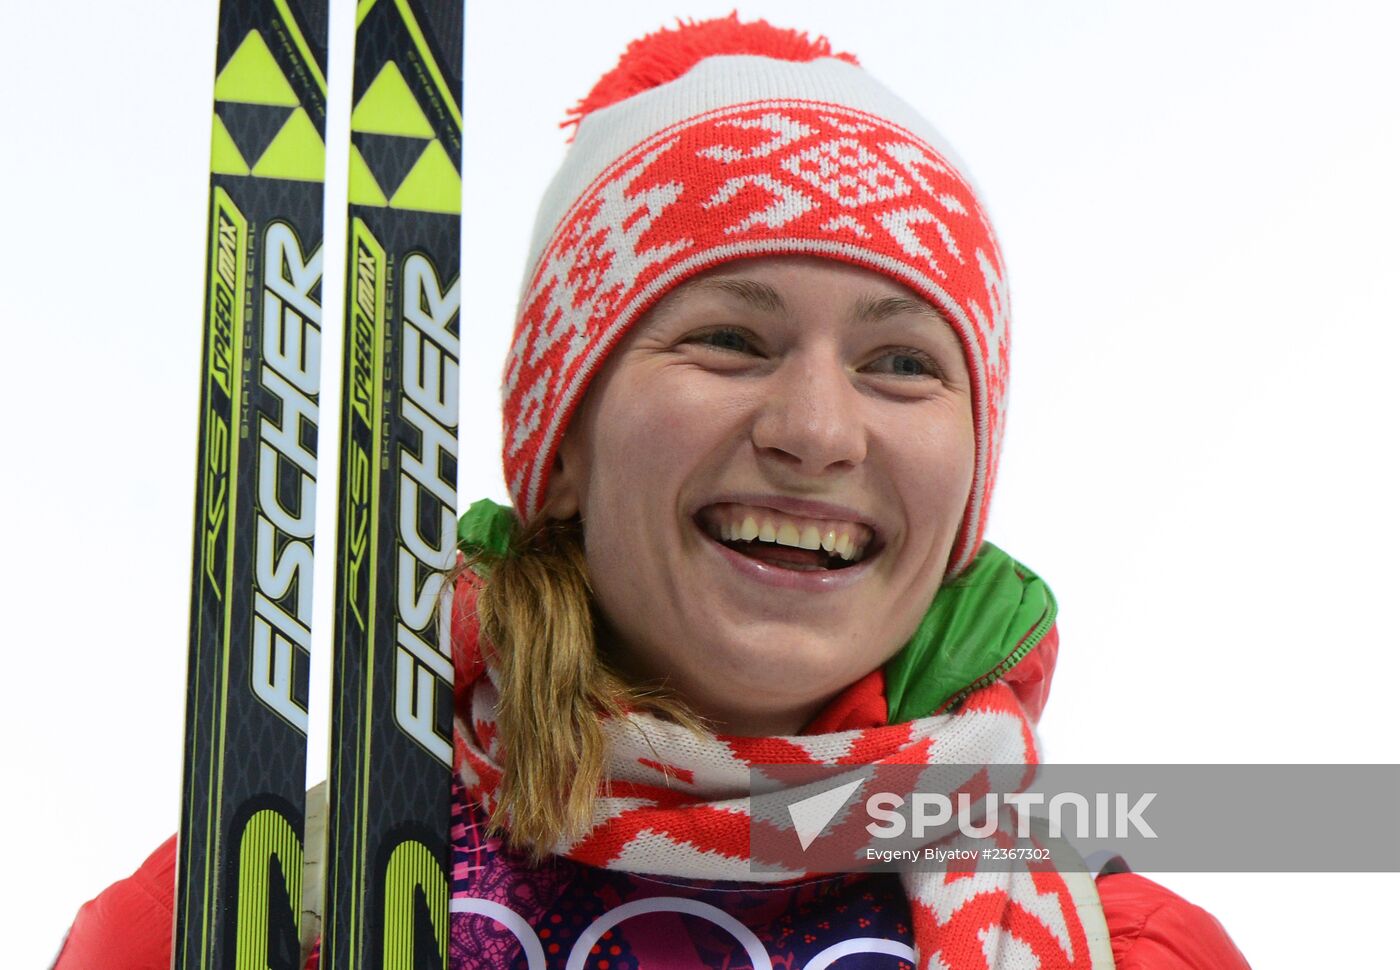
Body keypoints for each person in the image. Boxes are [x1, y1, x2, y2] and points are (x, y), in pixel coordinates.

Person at [55, 15, 1250, 970]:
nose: (818, 432)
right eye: (729, 338)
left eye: (901, 363)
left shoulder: (1127, 947)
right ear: (560, 444)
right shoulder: (253, 911)